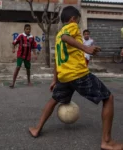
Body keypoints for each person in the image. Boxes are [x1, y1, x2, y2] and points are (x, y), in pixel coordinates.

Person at [29, 6, 123, 150]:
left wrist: (55, 79)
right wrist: (85, 48)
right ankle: (107, 141)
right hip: (78, 74)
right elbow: (67, 38)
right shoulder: (70, 28)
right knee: (108, 98)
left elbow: (57, 59)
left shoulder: (59, 35)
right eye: (78, 21)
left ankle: (37, 128)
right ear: (73, 19)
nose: (78, 24)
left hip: (64, 76)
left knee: (54, 100)